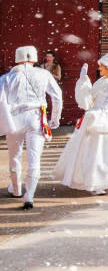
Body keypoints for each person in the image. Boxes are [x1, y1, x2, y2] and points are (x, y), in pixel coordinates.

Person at [52, 54, 108, 195]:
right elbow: (90, 99)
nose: (99, 68)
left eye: (102, 66)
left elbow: (89, 100)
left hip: (99, 116)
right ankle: (97, 179)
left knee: (97, 150)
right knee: (98, 149)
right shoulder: (107, 81)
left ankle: (97, 180)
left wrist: (84, 81)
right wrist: (85, 81)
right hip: (100, 115)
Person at [0, 46, 63, 210]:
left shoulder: (6, 78)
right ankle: (29, 196)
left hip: (14, 119)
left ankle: (16, 189)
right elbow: (57, 97)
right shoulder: (44, 74)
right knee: (34, 158)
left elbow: (1, 102)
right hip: (36, 117)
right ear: (34, 58)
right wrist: (54, 119)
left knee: (15, 156)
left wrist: (5, 124)